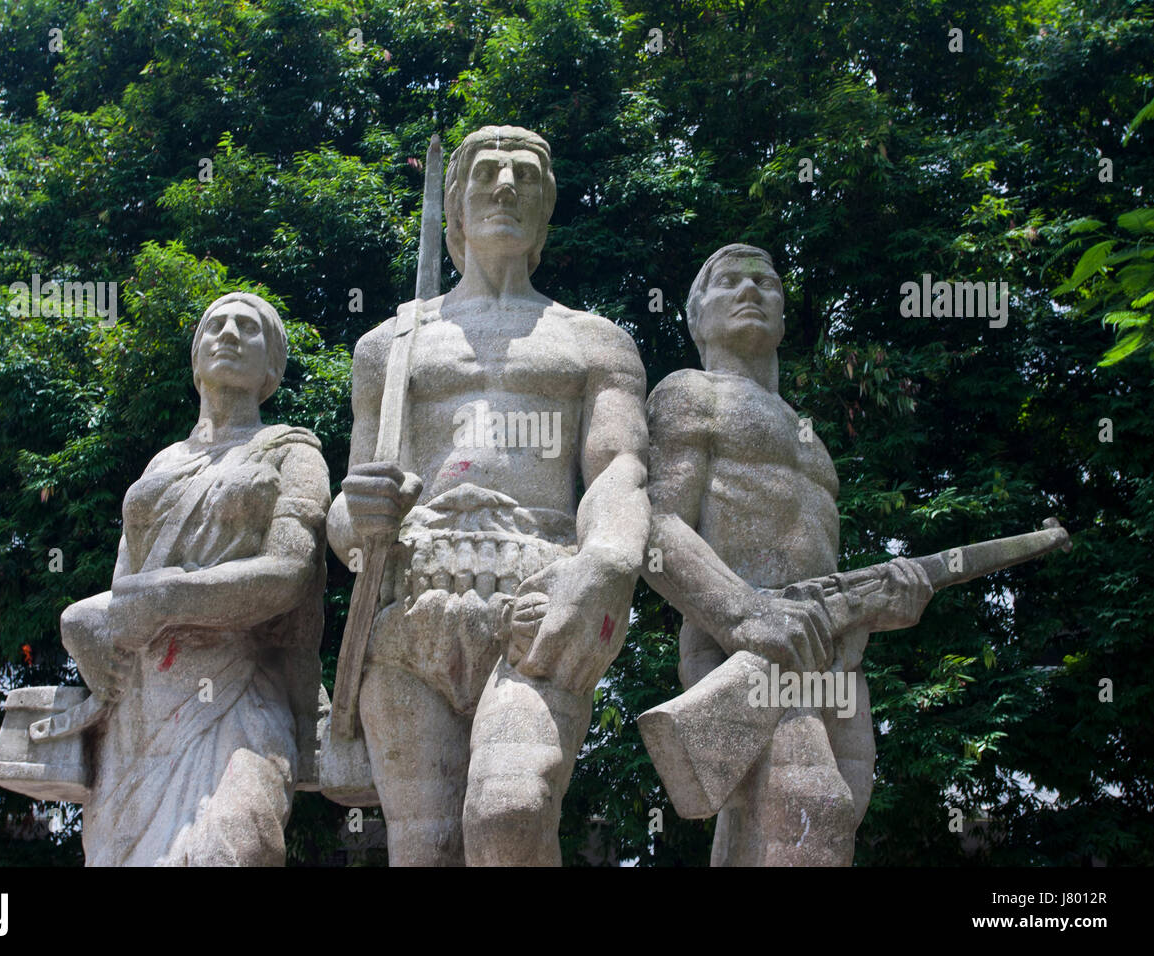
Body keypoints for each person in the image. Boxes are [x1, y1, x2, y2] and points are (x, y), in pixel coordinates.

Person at [327, 126, 650, 865]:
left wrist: (602, 568)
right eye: (487, 175)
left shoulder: (595, 342)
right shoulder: (390, 347)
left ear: (546, 211)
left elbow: (619, 472)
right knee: (425, 848)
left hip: (537, 606)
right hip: (408, 609)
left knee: (510, 810)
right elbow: (347, 512)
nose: (506, 186)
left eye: (526, 176)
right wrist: (358, 514)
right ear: (455, 212)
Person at [643, 245, 932, 865]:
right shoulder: (691, 393)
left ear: (783, 316)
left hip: (834, 655)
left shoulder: (809, 435)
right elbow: (657, 527)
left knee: (815, 827)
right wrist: (744, 614)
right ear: (695, 318)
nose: (750, 290)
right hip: (741, 641)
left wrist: (888, 603)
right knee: (812, 813)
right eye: (729, 281)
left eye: (766, 283)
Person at [61, 292, 330, 866]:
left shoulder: (292, 451)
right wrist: (80, 623)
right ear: (195, 357)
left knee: (235, 845)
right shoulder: (162, 464)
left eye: (249, 328)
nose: (229, 333)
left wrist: (167, 598)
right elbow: (126, 586)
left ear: (273, 368)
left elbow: (288, 573)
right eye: (215, 324)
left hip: (239, 693)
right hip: (140, 706)